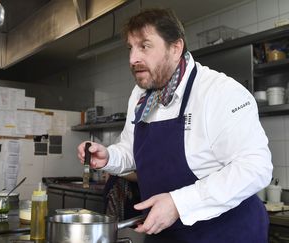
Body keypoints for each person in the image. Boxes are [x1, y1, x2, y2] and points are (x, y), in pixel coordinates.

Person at [77, 8, 273, 243]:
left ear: (176, 47)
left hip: (226, 233)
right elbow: (131, 149)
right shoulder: (141, 95)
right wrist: (109, 157)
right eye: (131, 48)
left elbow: (256, 167)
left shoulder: (219, 92)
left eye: (145, 46)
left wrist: (179, 203)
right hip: (166, 232)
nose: (132, 59)